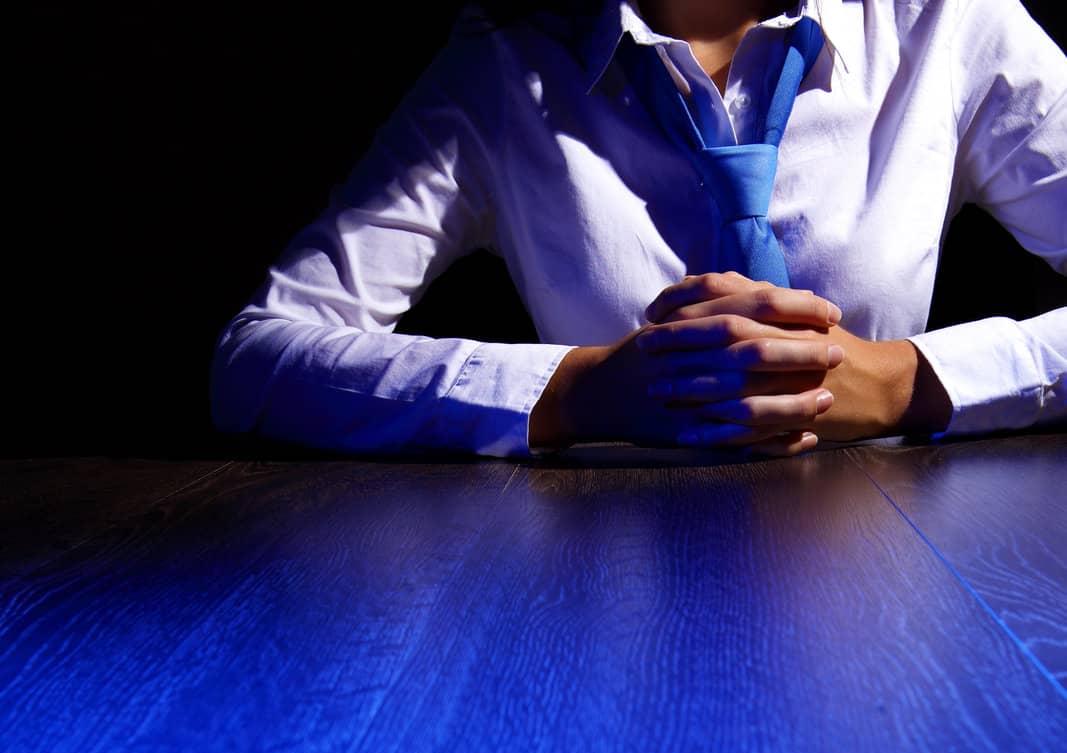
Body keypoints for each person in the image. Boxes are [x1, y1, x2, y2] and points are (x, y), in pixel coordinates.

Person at [209, 0, 1067, 460]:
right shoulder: (505, 64)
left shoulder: (951, 25)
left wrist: (901, 383)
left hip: (893, 575)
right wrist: (576, 394)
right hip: (604, 581)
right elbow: (256, 361)